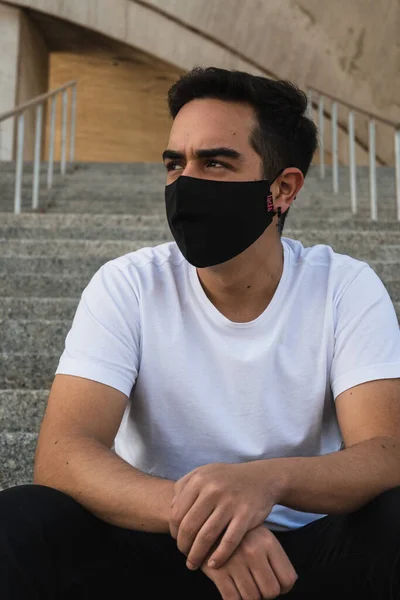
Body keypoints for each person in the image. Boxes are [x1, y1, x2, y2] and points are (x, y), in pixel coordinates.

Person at [1, 66, 400, 600]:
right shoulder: (129, 285)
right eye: (175, 163)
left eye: (214, 162)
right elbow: (62, 452)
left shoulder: (344, 286)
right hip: (157, 543)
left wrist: (268, 481)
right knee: (22, 521)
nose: (185, 181)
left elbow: (385, 450)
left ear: (282, 189)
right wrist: (209, 522)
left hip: (301, 558)